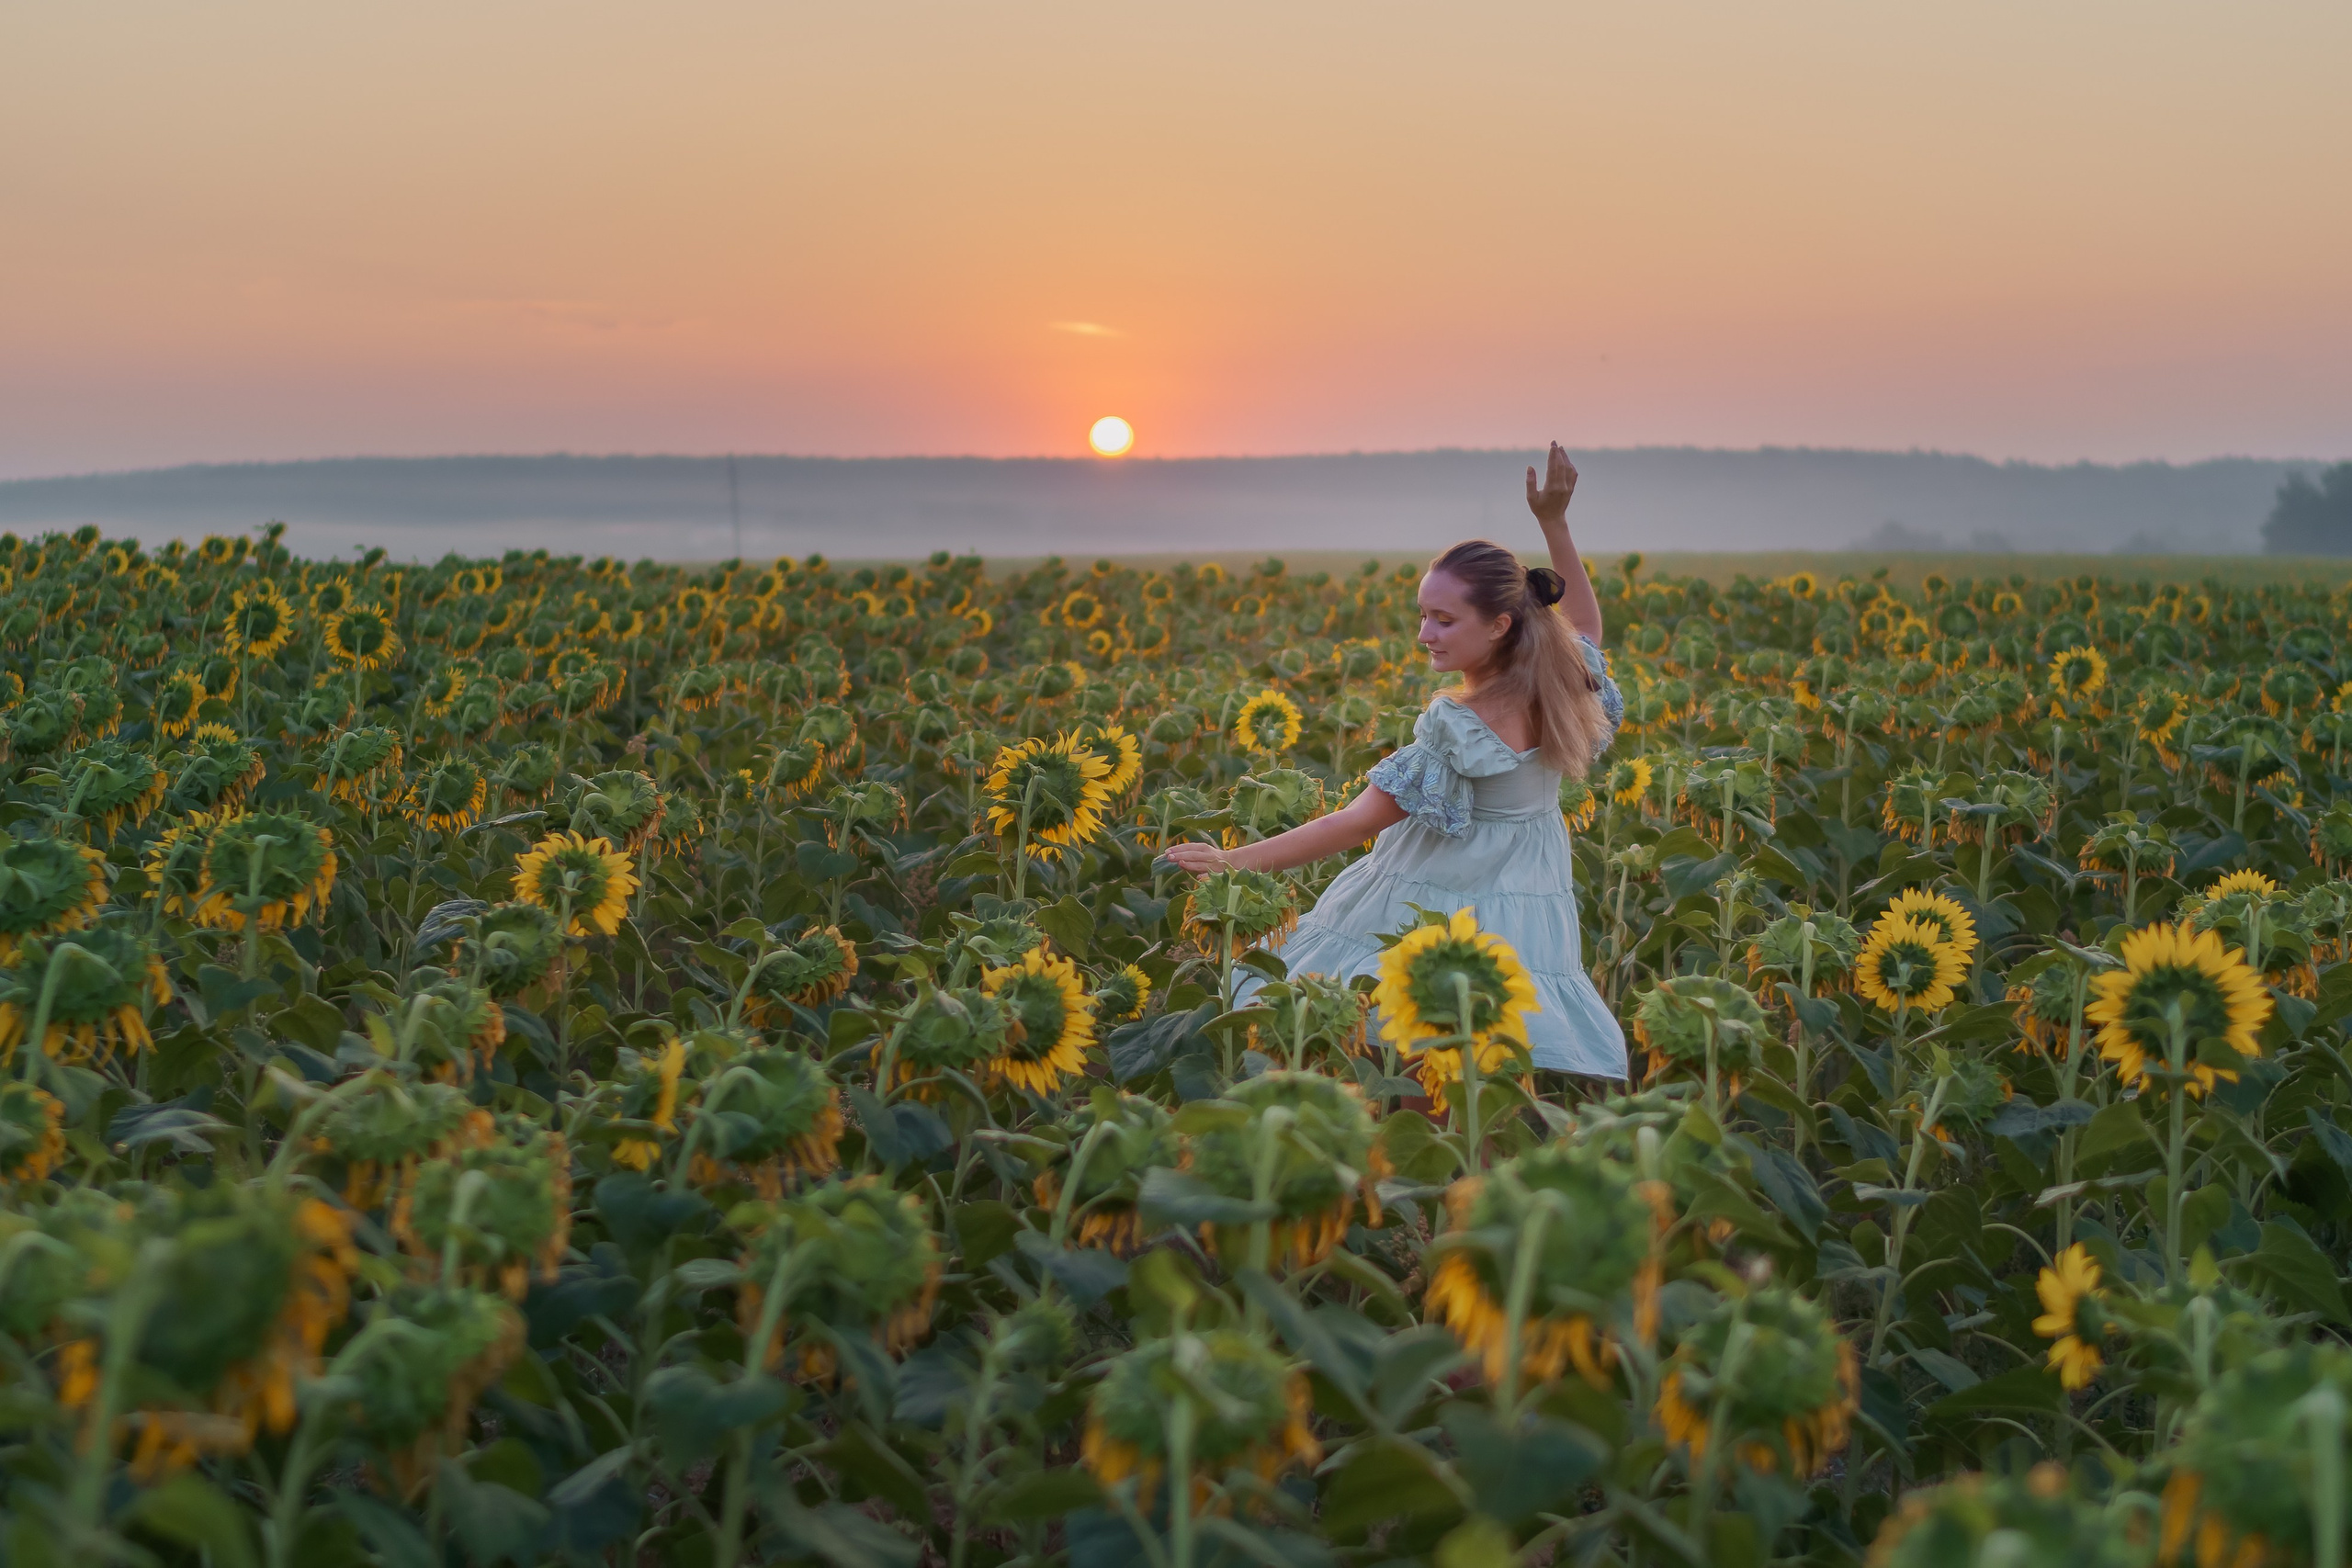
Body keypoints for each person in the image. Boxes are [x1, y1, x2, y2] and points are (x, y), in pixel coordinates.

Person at [1160, 443, 1628, 1078]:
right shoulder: (1565, 684)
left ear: (1498, 625)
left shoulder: (1460, 723)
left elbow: (1351, 823)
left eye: (1442, 619)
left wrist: (1229, 862)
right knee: (1481, 1056)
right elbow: (1585, 628)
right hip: (1526, 894)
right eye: (1423, 615)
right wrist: (1556, 523)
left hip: (1439, 895)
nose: (1424, 634)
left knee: (1411, 1040)